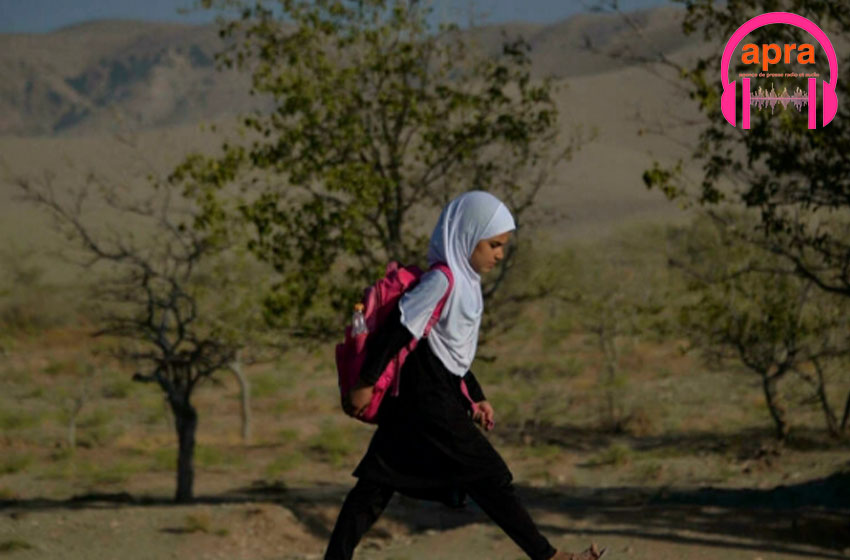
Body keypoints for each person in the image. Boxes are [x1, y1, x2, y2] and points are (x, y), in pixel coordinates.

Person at [326, 191, 606, 560]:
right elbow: (399, 329)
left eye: (502, 246)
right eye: (493, 245)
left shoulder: (467, 283)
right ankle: (549, 557)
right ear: (466, 235)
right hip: (426, 400)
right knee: (489, 476)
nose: (500, 254)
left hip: (427, 394)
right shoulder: (442, 281)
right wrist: (365, 383)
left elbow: (450, 354)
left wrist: (474, 395)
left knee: (376, 486)